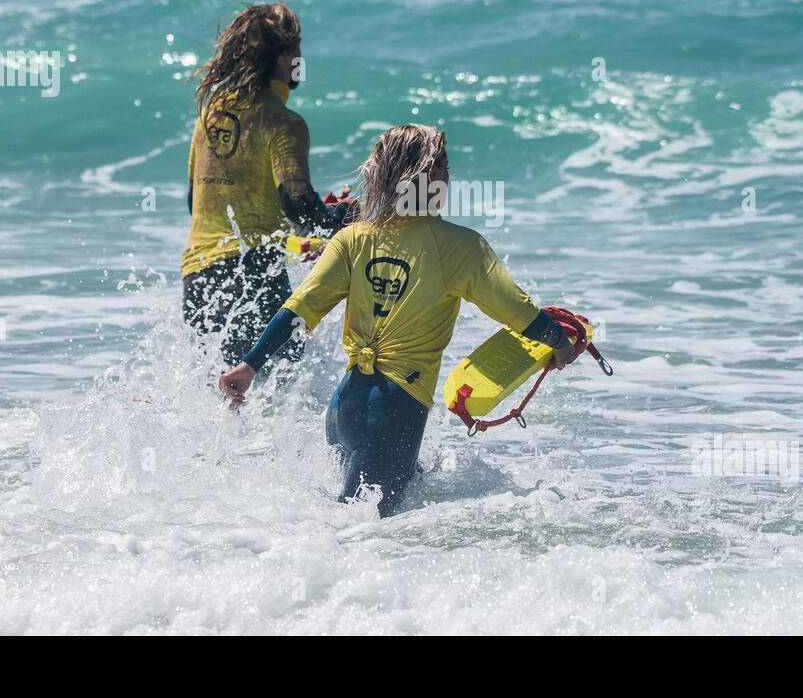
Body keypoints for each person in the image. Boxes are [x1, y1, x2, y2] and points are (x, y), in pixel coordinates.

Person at [219, 124, 576, 517]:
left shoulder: (352, 238)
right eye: (443, 166)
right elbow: (520, 315)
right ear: (430, 175)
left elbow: (299, 309)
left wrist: (250, 364)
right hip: (393, 411)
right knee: (361, 534)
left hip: (344, 409)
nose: (448, 177)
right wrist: (560, 341)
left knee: (362, 516)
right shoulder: (460, 247)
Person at [182, 2, 350, 366]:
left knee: (222, 397)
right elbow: (298, 203)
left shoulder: (209, 115)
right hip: (254, 276)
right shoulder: (283, 122)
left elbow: (197, 203)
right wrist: (341, 216)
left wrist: (297, 233)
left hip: (197, 281)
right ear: (285, 54)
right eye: (298, 48)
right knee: (279, 394)